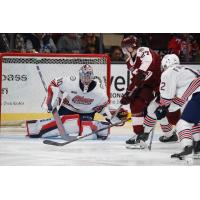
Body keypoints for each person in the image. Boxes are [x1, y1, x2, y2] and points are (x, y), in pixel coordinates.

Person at [27, 64, 128, 139]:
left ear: (92, 76)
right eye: (84, 75)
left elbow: (102, 108)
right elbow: (54, 83)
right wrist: (49, 101)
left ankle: (97, 128)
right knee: (68, 124)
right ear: (80, 75)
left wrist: (113, 117)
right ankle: (37, 129)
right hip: (68, 108)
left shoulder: (100, 92)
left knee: (85, 129)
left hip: (87, 113)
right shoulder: (70, 82)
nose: (86, 78)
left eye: (88, 75)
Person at [152, 55, 200, 160]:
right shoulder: (186, 70)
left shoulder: (168, 73)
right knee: (194, 122)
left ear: (164, 64)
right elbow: (180, 100)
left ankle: (187, 148)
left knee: (182, 124)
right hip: (194, 96)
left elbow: (167, 98)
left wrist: (162, 108)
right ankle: (198, 148)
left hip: (196, 96)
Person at [120, 35, 161, 148]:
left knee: (159, 111)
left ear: (132, 47)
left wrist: (129, 91)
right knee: (135, 104)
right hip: (147, 85)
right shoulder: (129, 61)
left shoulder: (143, 51)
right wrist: (128, 94)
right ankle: (139, 135)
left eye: (125, 47)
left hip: (160, 84)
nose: (124, 50)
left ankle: (169, 134)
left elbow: (141, 74)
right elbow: (136, 79)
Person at [143, 54, 181, 145]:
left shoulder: (167, 73)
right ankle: (170, 135)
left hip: (183, 99)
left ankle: (143, 134)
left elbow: (167, 95)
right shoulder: (182, 69)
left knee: (153, 108)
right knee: (158, 110)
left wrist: (160, 99)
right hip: (191, 98)